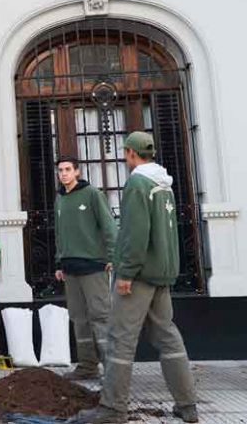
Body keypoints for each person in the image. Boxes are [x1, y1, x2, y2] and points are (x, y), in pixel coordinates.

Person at [70, 132, 198, 424]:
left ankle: (113, 409)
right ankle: (187, 405)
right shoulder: (164, 184)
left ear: (130, 153)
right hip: (161, 273)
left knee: (120, 340)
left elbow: (134, 233)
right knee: (168, 337)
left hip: (138, 276)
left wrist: (125, 273)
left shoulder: (138, 183)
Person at [53, 157, 117, 381]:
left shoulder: (92, 194)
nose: (64, 174)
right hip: (70, 268)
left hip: (94, 266)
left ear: (77, 172)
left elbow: (109, 225)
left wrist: (112, 256)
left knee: (100, 317)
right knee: (79, 319)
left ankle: (113, 371)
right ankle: (87, 366)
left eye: (68, 169)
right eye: (60, 170)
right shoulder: (60, 198)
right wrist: (59, 262)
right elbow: (59, 233)